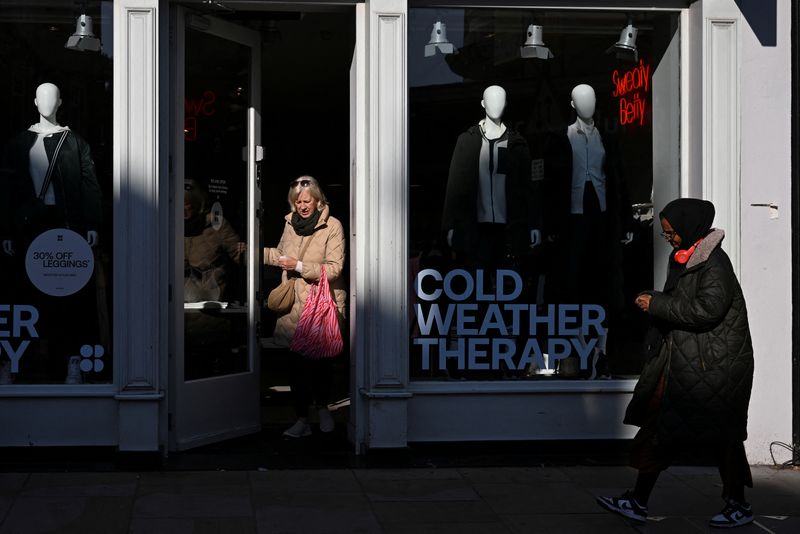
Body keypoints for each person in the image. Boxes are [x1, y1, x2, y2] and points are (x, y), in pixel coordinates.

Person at [596, 198, 755, 528]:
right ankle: (637, 500)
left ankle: (737, 503)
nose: (668, 237)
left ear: (689, 226)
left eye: (671, 232)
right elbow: (685, 303)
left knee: (722, 436)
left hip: (716, 365)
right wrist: (657, 300)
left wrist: (657, 304)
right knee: (661, 427)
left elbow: (706, 311)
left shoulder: (714, 264)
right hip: (688, 360)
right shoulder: (685, 258)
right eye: (665, 232)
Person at [543, 83, 634, 379]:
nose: (588, 104)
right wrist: (548, 225)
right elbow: (549, 187)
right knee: (572, 282)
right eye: (582, 99)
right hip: (572, 217)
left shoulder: (607, 139)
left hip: (601, 215)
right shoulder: (561, 139)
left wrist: (626, 222)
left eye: (592, 98)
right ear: (572, 104)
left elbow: (619, 179)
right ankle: (573, 351)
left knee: (601, 281)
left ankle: (601, 353)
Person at [263, 176, 346, 438]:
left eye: (306, 200)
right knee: (296, 366)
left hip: (319, 304)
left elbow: (335, 268)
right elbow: (280, 255)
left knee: (321, 364)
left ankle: (322, 410)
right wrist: (253, 251)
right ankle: (301, 419)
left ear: (319, 200)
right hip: (293, 307)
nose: (302, 205)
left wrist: (298, 267)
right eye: (297, 201)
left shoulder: (332, 226)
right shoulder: (290, 224)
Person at [441, 84, 541, 267]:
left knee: (506, 280)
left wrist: (534, 223)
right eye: (491, 100)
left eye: (500, 100)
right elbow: (455, 186)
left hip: (509, 226)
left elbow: (529, 188)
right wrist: (451, 225)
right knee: (477, 278)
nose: (495, 105)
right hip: (476, 226)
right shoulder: (467, 140)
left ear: (505, 104)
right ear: (483, 103)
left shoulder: (517, 143)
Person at [2, 82, 101, 256]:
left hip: (66, 220)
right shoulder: (19, 143)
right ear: (35, 102)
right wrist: (7, 231)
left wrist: (91, 224)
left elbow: (89, 187)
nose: (47, 102)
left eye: (52, 98)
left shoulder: (75, 143)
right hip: (30, 221)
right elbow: (8, 190)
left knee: (62, 269)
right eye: (42, 98)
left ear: (60, 102)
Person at [183, 179, 245, 303]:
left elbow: (240, 255)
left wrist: (261, 257)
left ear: (197, 204)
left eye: (186, 205)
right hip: (178, 311)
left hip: (211, 309)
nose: (182, 210)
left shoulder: (217, 226)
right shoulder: (170, 228)